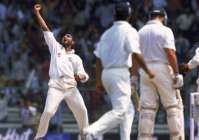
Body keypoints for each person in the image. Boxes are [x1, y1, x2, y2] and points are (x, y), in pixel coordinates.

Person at [83, 2, 154, 140]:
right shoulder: (130, 30)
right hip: (119, 74)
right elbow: (136, 54)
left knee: (129, 110)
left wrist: (99, 81)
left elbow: (97, 59)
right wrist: (148, 70)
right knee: (121, 111)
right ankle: (91, 131)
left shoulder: (106, 33)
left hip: (107, 74)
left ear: (114, 15)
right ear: (129, 15)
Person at [33, 4, 89, 140]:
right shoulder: (56, 48)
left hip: (71, 87)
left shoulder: (76, 57)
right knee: (48, 112)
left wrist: (81, 76)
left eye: (68, 36)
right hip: (56, 86)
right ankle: (39, 137)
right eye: (64, 36)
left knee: (82, 111)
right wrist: (37, 13)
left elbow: (84, 74)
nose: (65, 37)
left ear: (73, 42)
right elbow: (46, 29)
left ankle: (85, 137)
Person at [136, 8, 185, 140]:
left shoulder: (140, 32)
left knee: (147, 108)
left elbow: (135, 55)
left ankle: (144, 138)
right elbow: (170, 53)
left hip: (145, 70)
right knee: (171, 105)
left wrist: (134, 76)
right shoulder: (165, 30)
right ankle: (177, 138)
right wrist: (176, 73)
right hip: (161, 68)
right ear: (163, 17)